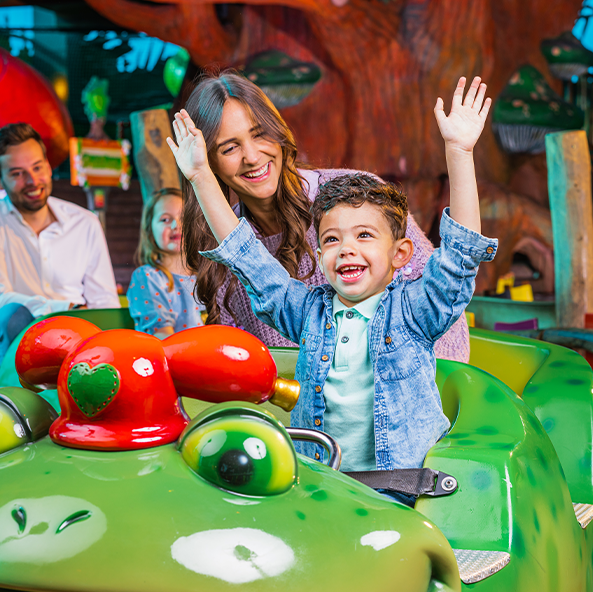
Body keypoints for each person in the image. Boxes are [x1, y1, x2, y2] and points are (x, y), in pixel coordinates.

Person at [168, 78, 498, 500]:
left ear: (400, 254)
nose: (347, 249)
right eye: (331, 240)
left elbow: (459, 257)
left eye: (364, 236)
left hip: (397, 485)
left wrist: (460, 153)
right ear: (318, 250)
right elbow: (248, 259)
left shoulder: (414, 313)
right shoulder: (308, 313)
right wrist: (199, 175)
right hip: (321, 486)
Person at [179, 71, 472, 363]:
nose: (252, 157)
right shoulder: (234, 255)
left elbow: (444, 292)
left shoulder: (354, 196)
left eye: (259, 134)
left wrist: (426, 380)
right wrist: (200, 178)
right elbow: (244, 342)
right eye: (230, 148)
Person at [0, 123, 119, 366]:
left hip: (76, 340)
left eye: (37, 168)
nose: (32, 180)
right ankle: (18, 388)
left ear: (48, 168)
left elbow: (104, 302)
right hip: (15, 340)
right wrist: (64, 309)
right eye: (17, 174)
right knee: (11, 315)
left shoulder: (85, 222)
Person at [126, 188, 205, 337]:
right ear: (150, 230)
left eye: (184, 217)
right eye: (165, 220)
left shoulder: (205, 274)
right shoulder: (148, 277)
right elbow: (162, 336)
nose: (176, 225)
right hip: (172, 352)